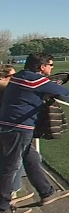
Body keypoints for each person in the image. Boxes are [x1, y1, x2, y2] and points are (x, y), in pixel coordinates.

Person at [0, 53, 69, 213]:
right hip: (18, 127)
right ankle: (2, 208)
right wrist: (51, 84)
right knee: (10, 167)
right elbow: (65, 91)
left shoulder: (20, 76)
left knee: (32, 158)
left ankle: (46, 192)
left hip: (10, 125)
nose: (52, 68)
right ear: (42, 67)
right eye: (51, 65)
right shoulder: (35, 80)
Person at [0, 65, 31, 205]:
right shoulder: (5, 91)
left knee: (30, 157)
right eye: (11, 77)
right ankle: (6, 200)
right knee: (12, 164)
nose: (15, 80)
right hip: (10, 131)